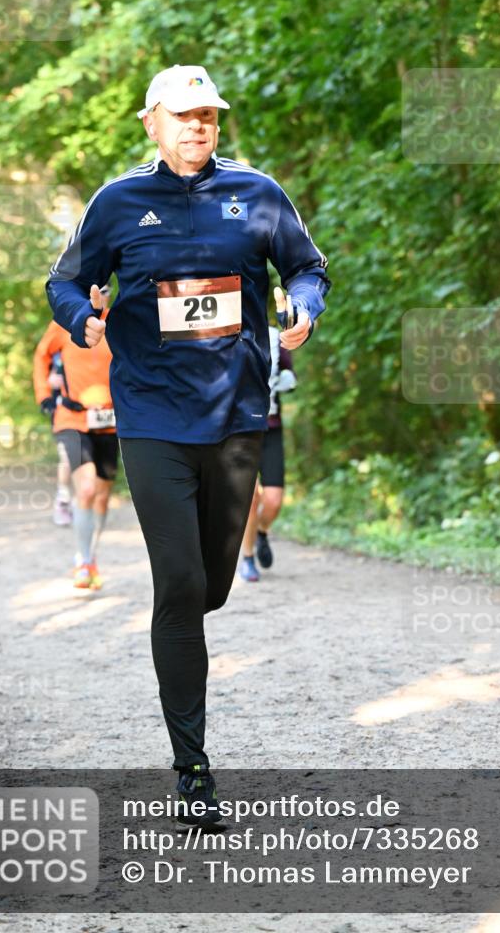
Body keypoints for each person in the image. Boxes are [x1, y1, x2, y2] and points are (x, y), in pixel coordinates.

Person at [46, 64, 330, 826]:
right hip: (150, 418)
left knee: (210, 589)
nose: (197, 125)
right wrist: (83, 319)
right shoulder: (117, 202)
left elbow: (306, 267)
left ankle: (195, 617)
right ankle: (192, 772)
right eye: (183, 115)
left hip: (235, 415)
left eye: (207, 114)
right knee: (177, 586)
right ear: (152, 122)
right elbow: (63, 283)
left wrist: (302, 306)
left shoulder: (258, 193)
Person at [33, 287, 117, 590]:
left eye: (104, 290)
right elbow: (41, 356)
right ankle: (83, 561)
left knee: (103, 495)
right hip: (72, 418)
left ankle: (90, 556)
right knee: (87, 487)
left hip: (109, 421)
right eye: (92, 290)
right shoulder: (65, 321)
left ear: (109, 293)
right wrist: (44, 394)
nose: (98, 296)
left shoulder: (117, 323)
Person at [239, 324, 297, 582]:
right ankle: (247, 557)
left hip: (271, 427)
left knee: (273, 501)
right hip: (240, 430)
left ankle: (261, 533)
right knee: (251, 498)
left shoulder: (275, 337)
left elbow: (290, 374)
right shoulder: (227, 334)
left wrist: (287, 380)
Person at [47, 353, 73, 527]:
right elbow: (50, 379)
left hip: (96, 413)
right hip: (64, 414)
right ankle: (62, 501)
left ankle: (88, 506)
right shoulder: (58, 353)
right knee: (68, 459)